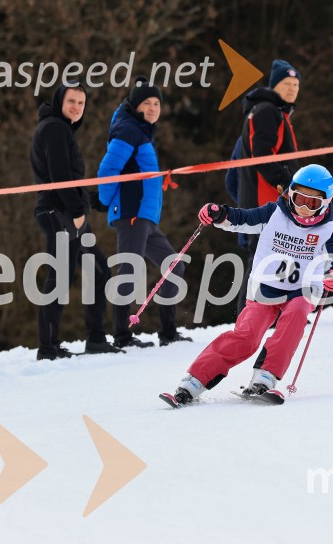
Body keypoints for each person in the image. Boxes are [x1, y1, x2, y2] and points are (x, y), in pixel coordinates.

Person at [161, 164, 333, 407]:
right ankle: (194, 381)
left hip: (301, 288)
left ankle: (265, 377)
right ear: (289, 194)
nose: (303, 209)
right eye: (298, 199)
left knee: (297, 312)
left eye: (311, 204)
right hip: (265, 287)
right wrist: (220, 213)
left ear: (326, 203)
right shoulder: (274, 214)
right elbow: (243, 218)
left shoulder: (330, 231)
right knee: (246, 337)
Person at [98, 77, 192, 348]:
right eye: (146, 103)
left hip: (146, 217)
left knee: (174, 265)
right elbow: (107, 171)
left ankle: (168, 332)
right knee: (129, 271)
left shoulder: (140, 132)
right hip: (132, 213)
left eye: (156, 103)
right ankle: (122, 336)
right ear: (135, 106)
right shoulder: (128, 131)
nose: (152, 108)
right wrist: (106, 201)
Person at [30, 82, 120, 360]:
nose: (77, 107)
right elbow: (59, 176)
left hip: (67, 212)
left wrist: (87, 200)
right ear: (60, 101)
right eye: (72, 101)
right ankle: (48, 348)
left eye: (81, 103)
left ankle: (94, 338)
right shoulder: (55, 128)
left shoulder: (59, 128)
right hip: (59, 214)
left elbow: (67, 177)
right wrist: (77, 211)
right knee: (61, 280)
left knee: (98, 270)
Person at [235, 59, 302, 315]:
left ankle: (272, 311)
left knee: (277, 255)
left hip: (271, 198)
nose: (291, 89)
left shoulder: (275, 112)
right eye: (286, 83)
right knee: (261, 257)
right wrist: (285, 182)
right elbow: (262, 154)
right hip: (266, 199)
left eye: (295, 84)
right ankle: (247, 315)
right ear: (274, 85)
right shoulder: (267, 111)